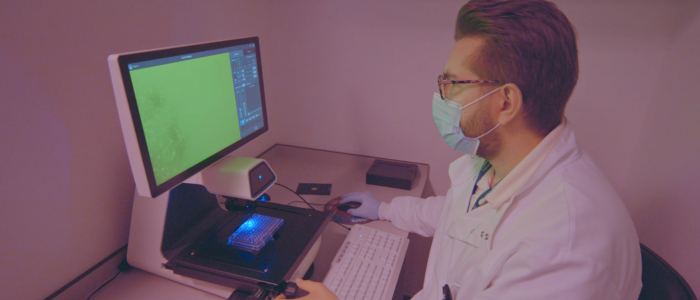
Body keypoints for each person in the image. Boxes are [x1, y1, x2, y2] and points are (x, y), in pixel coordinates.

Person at [278, 0, 642, 299]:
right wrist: (384, 209)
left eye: (453, 82)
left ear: (505, 102)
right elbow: (460, 216)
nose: (442, 95)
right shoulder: (497, 162)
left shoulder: (564, 247)